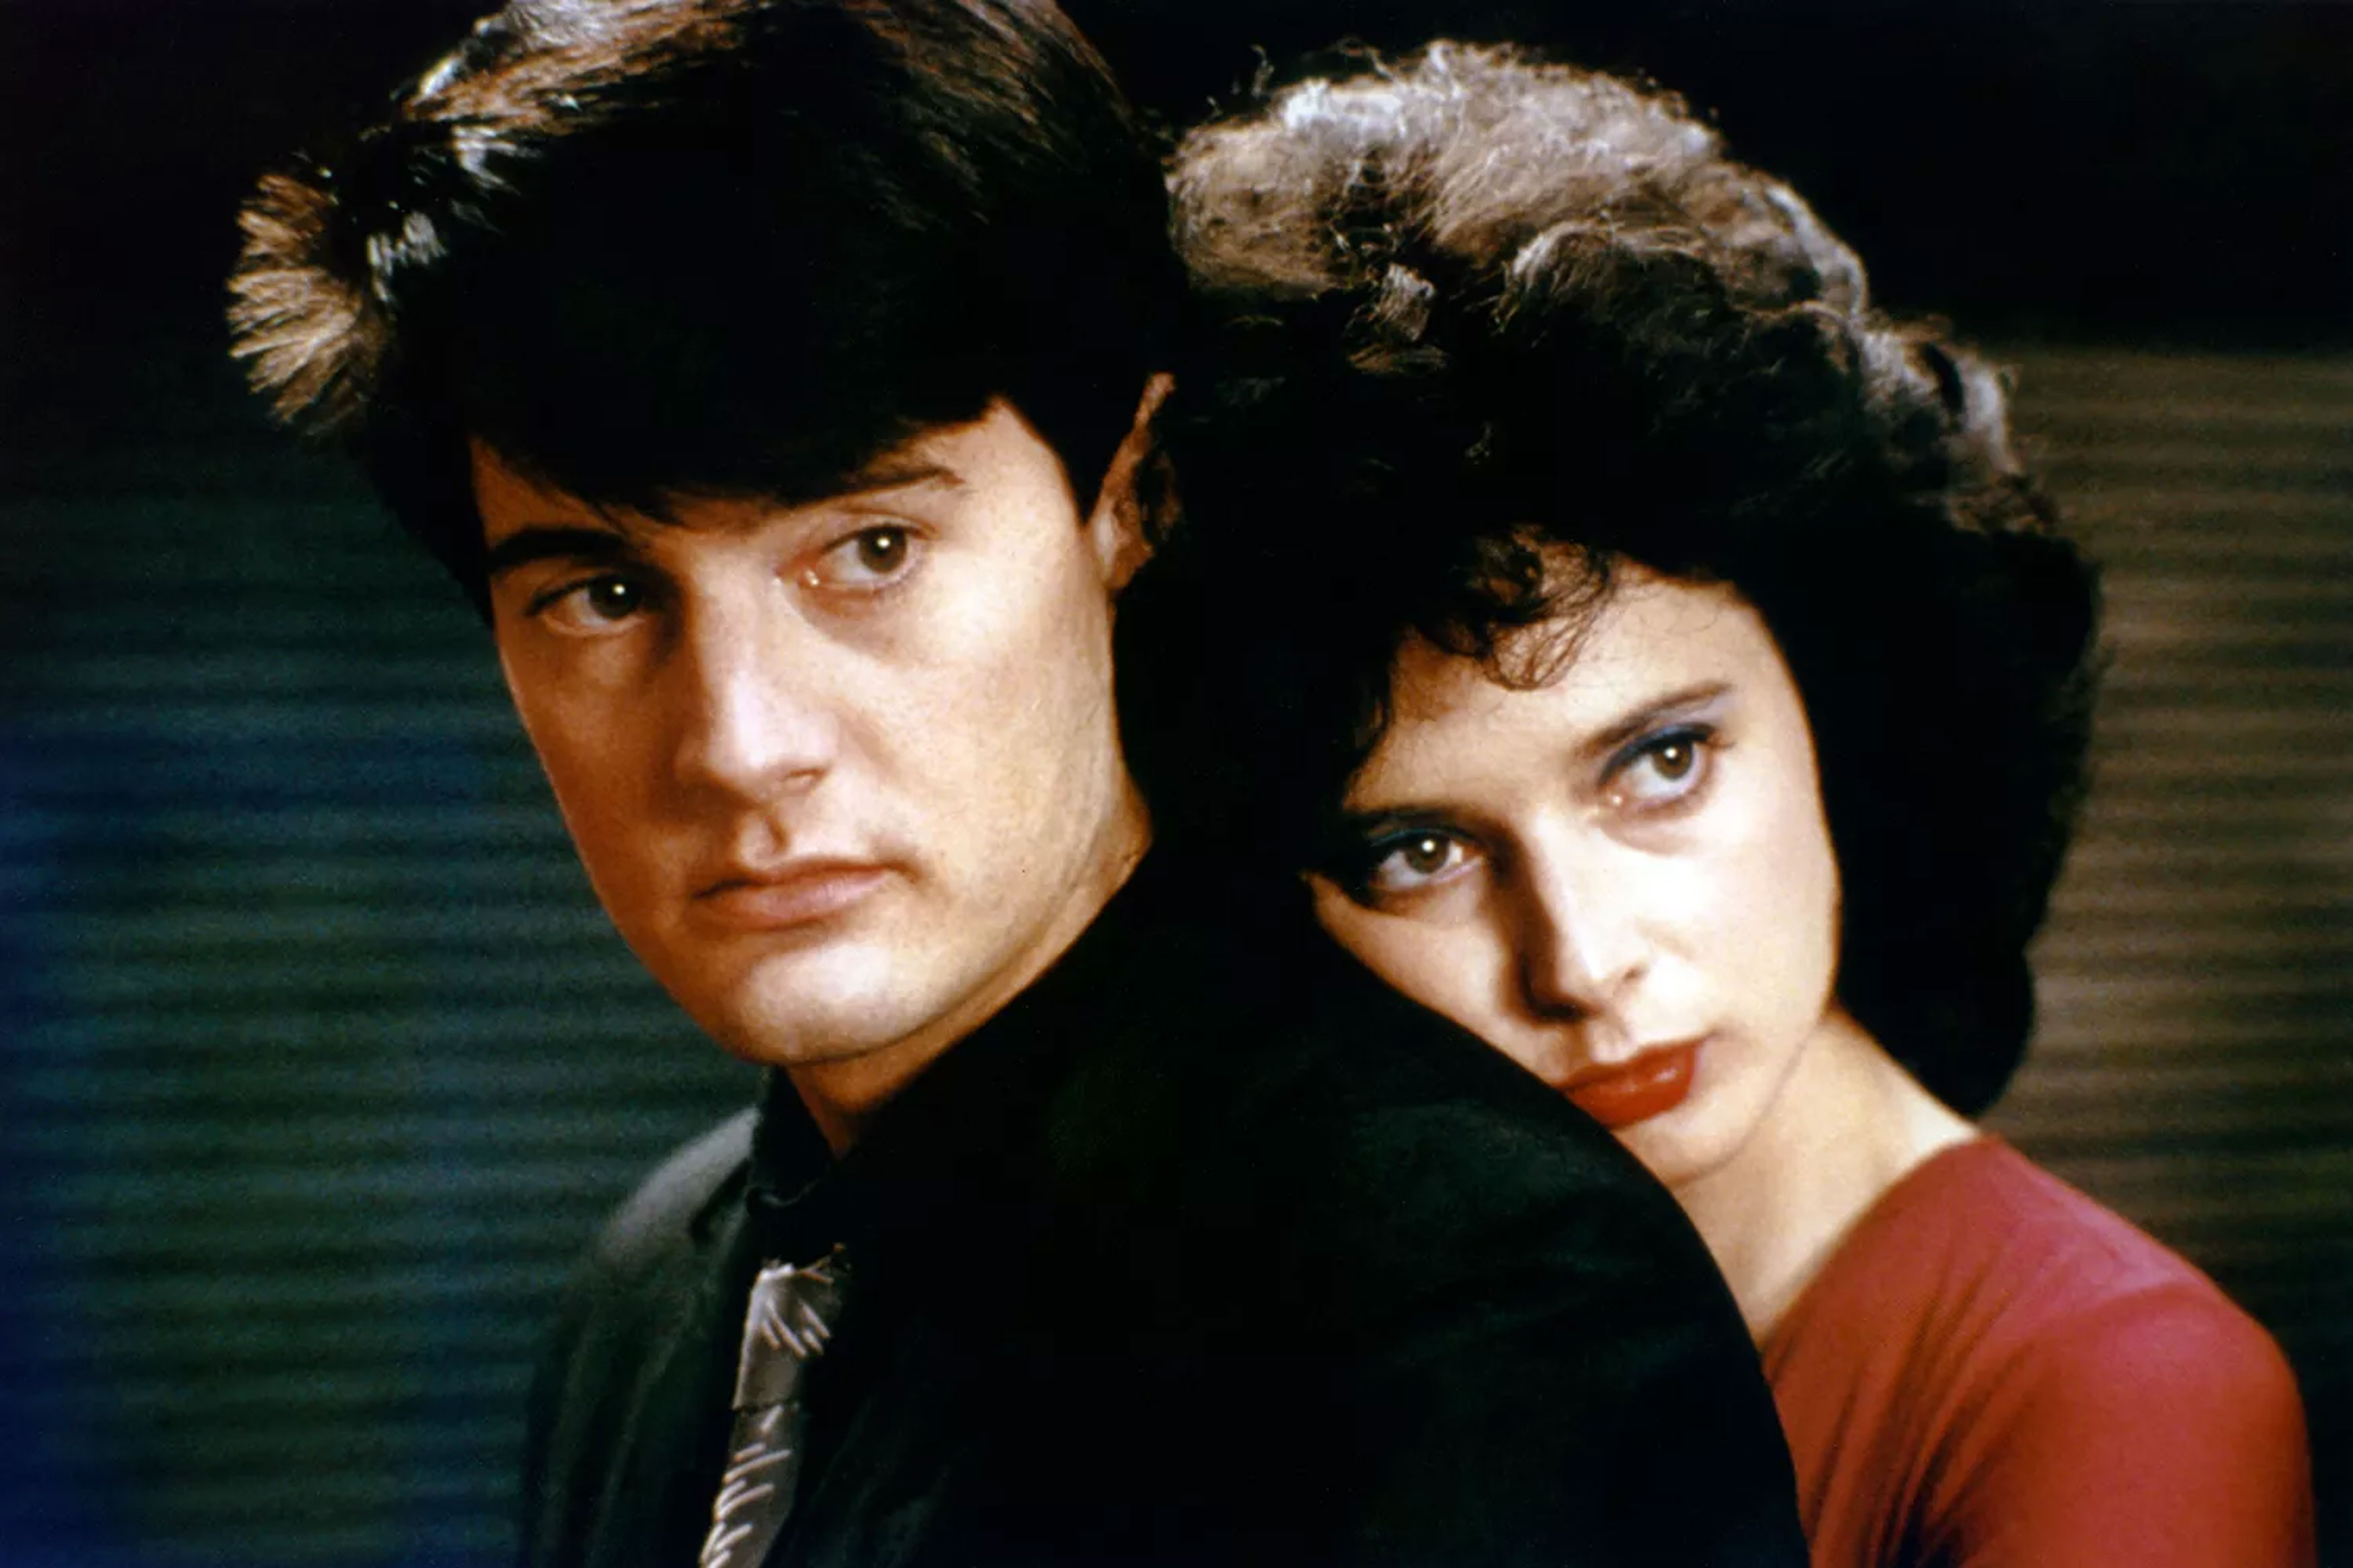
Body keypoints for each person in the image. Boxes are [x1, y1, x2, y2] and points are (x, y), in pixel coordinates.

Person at [226, 5, 1810, 1566]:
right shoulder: (642, 1306)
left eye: (871, 550)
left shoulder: (1480, 1309)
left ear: (1132, 494)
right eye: (606, 595)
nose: (739, 742)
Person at [1133, 42, 2317, 1568]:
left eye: (1661, 763)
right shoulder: (1342, 1361)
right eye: (1419, 850)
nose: (1582, 960)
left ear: (1839, 706)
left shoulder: (2120, 1390)